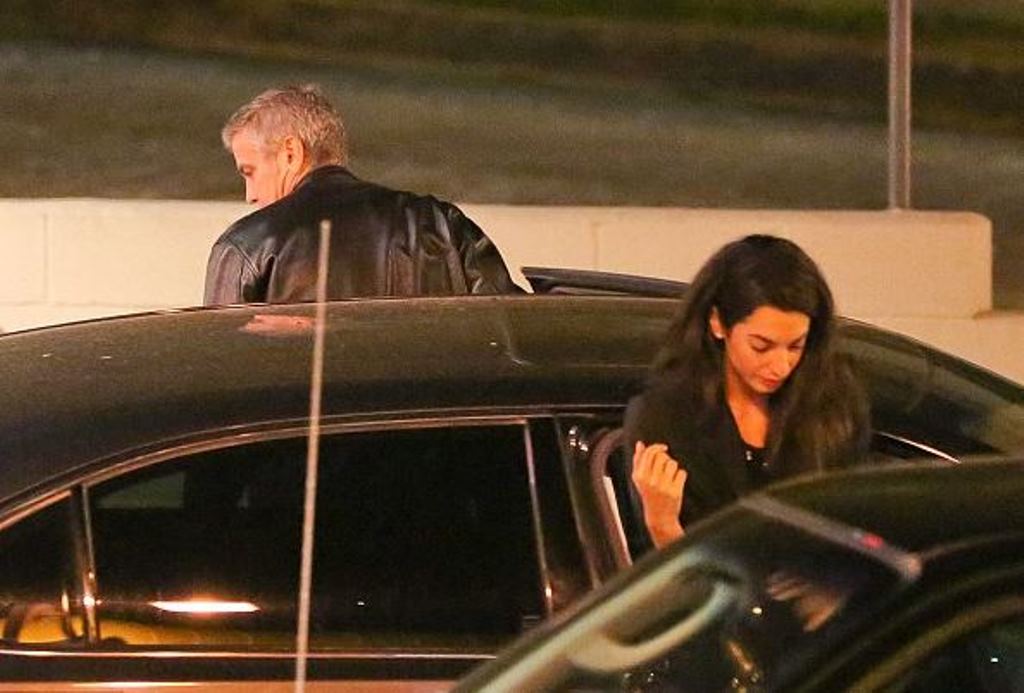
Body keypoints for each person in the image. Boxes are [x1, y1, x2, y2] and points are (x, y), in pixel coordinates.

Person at [625, 234, 870, 549]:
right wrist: (663, 525)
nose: (780, 366)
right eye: (761, 346)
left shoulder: (833, 407)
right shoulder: (667, 417)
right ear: (718, 323)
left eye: (795, 346)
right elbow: (664, 573)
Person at [204, 84, 521, 305]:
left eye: (249, 171)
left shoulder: (245, 245)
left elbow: (219, 365)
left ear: (291, 153)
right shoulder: (442, 223)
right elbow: (509, 332)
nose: (250, 195)